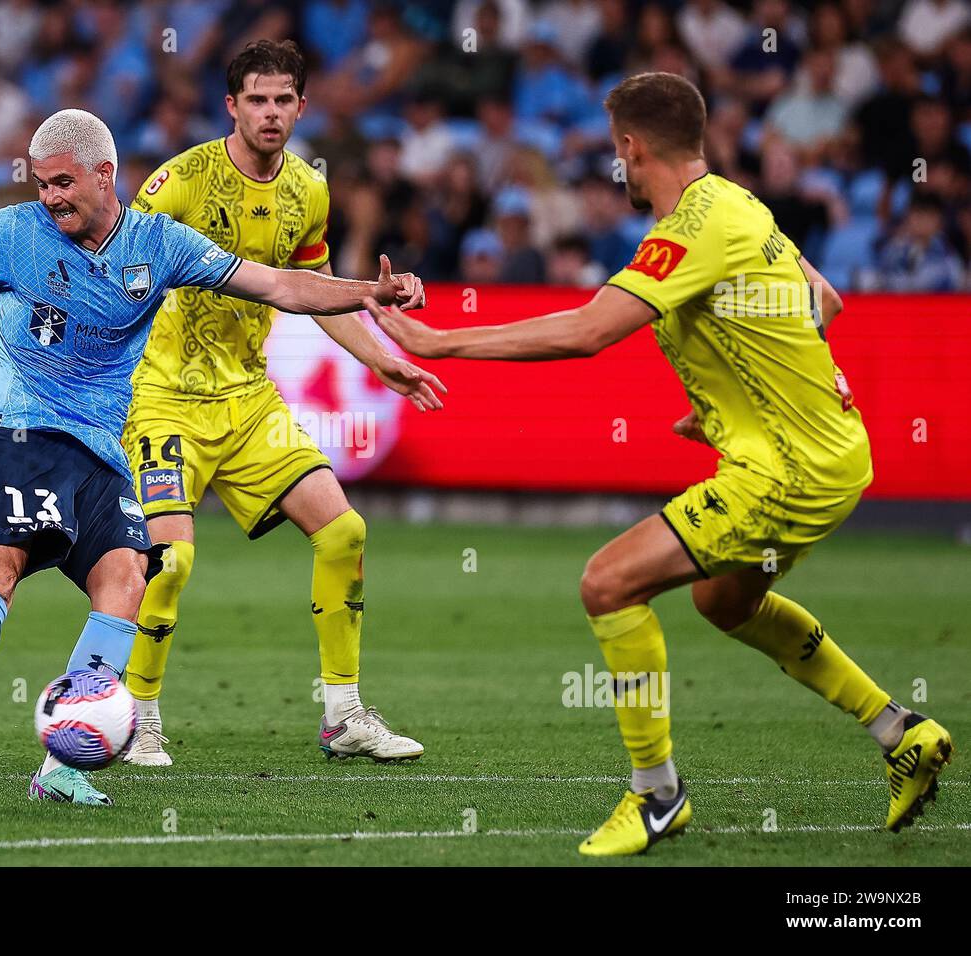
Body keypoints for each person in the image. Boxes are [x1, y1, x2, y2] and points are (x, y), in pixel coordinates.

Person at [0, 108, 425, 806]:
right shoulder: (12, 235)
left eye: (62, 183)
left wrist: (368, 294)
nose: (49, 197)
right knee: (2, 561)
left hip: (103, 448)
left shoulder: (160, 245)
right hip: (20, 431)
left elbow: (280, 285)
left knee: (127, 581)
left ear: (104, 174)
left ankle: (61, 767)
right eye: (42, 184)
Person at [364, 72, 953, 856]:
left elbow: (588, 332)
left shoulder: (694, 227)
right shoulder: (745, 205)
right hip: (831, 452)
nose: (624, 169)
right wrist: (731, 402)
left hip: (787, 470)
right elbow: (825, 302)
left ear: (632, 148)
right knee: (723, 602)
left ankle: (656, 796)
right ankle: (900, 732)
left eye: (621, 155)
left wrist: (440, 343)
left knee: (608, 583)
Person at [125, 40, 444, 766]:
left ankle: (343, 716)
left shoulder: (309, 190)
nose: (270, 113)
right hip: (164, 398)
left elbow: (314, 293)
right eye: (256, 100)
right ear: (231, 106)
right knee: (168, 561)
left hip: (248, 401)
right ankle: (138, 716)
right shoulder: (178, 183)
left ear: (302, 106)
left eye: (283, 100)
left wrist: (380, 359)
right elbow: (119, 276)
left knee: (345, 534)